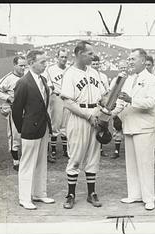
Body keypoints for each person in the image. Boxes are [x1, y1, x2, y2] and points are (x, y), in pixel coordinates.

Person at [60, 41, 107, 209]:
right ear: (79, 53)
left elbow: (102, 96)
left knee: (94, 156)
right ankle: (71, 194)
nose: (92, 56)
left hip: (95, 115)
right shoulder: (70, 74)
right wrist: (88, 115)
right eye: (89, 54)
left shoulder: (94, 72)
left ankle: (91, 193)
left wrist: (105, 108)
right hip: (79, 117)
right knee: (76, 156)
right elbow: (67, 102)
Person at [111, 48, 155, 211]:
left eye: (133, 59)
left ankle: (149, 197)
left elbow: (150, 103)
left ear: (143, 61)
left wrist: (131, 99)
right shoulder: (128, 79)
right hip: (129, 125)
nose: (130, 62)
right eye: (129, 59)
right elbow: (120, 103)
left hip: (144, 127)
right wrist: (109, 113)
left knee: (145, 163)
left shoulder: (152, 79)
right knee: (131, 164)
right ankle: (135, 194)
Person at [12, 50, 55, 210]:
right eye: (42, 62)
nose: (45, 64)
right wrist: (23, 128)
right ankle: (24, 198)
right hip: (30, 129)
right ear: (31, 63)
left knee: (41, 162)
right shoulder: (23, 82)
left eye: (45, 61)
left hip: (43, 127)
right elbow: (16, 110)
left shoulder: (43, 79)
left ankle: (39, 193)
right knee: (27, 164)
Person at [0, 55, 26, 171]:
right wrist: (8, 98)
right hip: (14, 110)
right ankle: (16, 162)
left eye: (24, 65)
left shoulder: (27, 75)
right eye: (21, 65)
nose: (23, 68)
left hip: (28, 111)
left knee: (27, 136)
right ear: (15, 65)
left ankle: (26, 160)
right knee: (15, 136)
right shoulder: (8, 78)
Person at [44, 48, 70, 163]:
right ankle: (53, 150)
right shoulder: (50, 69)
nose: (64, 59)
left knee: (66, 124)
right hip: (57, 98)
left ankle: (65, 150)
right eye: (62, 57)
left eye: (65, 57)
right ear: (57, 57)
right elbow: (49, 85)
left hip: (67, 99)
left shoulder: (70, 69)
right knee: (55, 124)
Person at [91, 55, 110, 157]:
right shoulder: (89, 74)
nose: (95, 65)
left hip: (102, 104)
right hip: (93, 104)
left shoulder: (103, 76)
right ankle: (92, 148)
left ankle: (100, 148)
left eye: (97, 64)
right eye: (93, 64)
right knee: (93, 126)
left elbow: (106, 91)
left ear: (99, 64)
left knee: (102, 126)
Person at [109, 60, 127, 159]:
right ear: (118, 68)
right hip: (118, 103)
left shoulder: (130, 79)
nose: (123, 69)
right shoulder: (115, 80)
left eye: (124, 67)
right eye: (121, 67)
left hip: (127, 104)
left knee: (128, 127)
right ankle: (117, 151)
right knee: (116, 127)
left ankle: (129, 150)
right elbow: (111, 93)